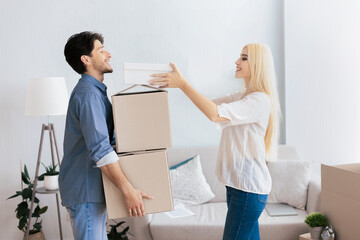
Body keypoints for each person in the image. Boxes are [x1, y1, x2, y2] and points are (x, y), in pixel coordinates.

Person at [150, 43, 280, 240]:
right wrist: (179, 84)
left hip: (248, 191)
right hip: (239, 188)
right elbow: (209, 105)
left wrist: (182, 83)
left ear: (258, 64)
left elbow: (214, 114)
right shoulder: (243, 96)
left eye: (244, 58)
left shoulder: (258, 101)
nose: (237, 61)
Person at [59, 31, 153, 240]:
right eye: (101, 51)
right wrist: (128, 190)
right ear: (86, 60)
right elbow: (101, 149)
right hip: (85, 190)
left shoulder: (95, 92)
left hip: (90, 191)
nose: (108, 54)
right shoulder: (89, 95)